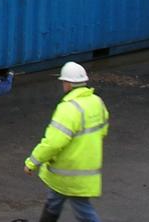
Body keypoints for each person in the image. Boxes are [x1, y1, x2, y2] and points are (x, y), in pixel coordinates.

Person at [24, 61, 110, 222]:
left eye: (63, 82)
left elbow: (53, 143)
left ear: (68, 84)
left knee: (83, 210)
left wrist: (32, 162)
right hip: (84, 168)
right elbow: (103, 129)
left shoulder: (68, 109)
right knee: (54, 200)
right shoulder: (97, 102)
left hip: (69, 171)